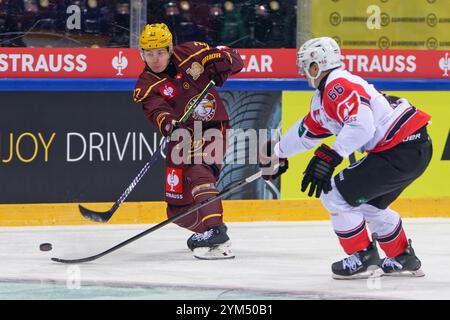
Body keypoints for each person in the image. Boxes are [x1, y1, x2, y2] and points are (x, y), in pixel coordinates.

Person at [260, 37, 432, 279]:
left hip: (399, 149)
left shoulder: (337, 85)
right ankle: (402, 257)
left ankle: (362, 257)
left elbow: (362, 126)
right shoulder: (326, 95)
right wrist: (278, 153)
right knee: (367, 204)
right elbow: (307, 131)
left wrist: (331, 155)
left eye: (307, 65)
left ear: (318, 65)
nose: (303, 71)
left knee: (334, 194)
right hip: (413, 148)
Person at [133, 23, 243, 260]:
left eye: (160, 51)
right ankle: (208, 232)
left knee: (198, 167)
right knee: (177, 208)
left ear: (170, 48)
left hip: (212, 127)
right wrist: (168, 123)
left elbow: (233, 60)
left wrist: (224, 59)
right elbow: (155, 110)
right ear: (141, 53)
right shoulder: (146, 84)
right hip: (181, 137)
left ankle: (215, 230)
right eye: (149, 53)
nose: (155, 58)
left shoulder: (193, 52)